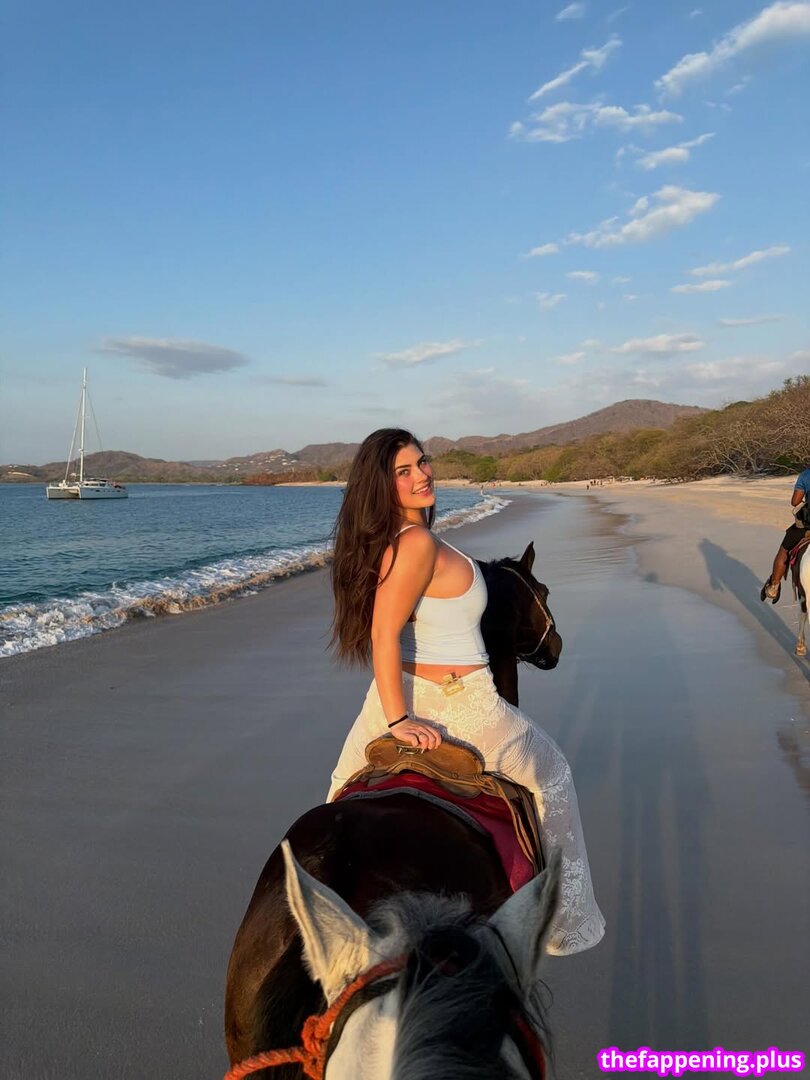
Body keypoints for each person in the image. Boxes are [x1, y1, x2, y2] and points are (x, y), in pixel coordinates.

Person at [327, 428, 605, 956]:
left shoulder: (396, 541)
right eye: (403, 471)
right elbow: (384, 633)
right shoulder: (416, 543)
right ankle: (564, 925)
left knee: (338, 792)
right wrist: (399, 723)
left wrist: (390, 713)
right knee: (554, 775)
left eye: (422, 462)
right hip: (461, 704)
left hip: (391, 697)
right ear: (381, 486)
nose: (421, 475)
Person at [760, 468, 810, 603]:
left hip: (807, 526)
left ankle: (773, 587)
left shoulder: (806, 475)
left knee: (784, 550)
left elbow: (795, 502)